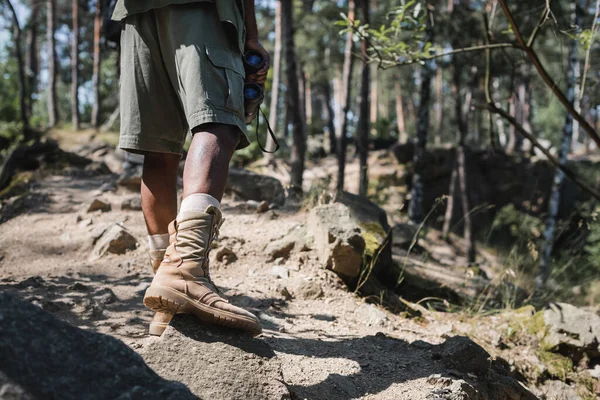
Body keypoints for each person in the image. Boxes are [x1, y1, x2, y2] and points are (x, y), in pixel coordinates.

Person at [111, 0, 269, 336]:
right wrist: (251, 35)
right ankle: (184, 273)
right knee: (218, 123)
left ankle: (166, 298)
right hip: (201, 8)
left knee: (159, 149)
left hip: (136, 13)